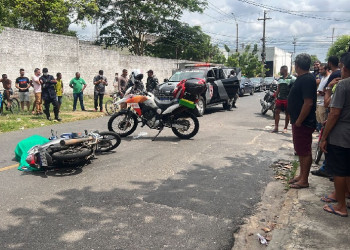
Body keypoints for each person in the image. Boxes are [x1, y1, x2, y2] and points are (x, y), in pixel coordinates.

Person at [320, 52, 350, 217]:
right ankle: (345, 196)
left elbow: (334, 113)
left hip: (341, 135)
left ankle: (341, 206)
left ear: (344, 68)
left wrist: (324, 137)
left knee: (339, 171)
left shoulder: (344, 85)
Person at [287, 53, 317, 189]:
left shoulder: (306, 79)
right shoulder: (305, 78)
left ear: (297, 65)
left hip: (303, 123)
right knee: (300, 150)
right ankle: (301, 175)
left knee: (304, 151)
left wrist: (299, 121)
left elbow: (308, 103)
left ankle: (304, 180)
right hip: (299, 122)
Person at [272, 66, 295, 133]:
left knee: (287, 113)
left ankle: (285, 127)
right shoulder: (280, 78)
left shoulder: (292, 78)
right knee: (276, 112)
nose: (280, 71)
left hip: (288, 99)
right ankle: (276, 127)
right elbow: (278, 89)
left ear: (284, 70)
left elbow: (294, 88)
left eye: (281, 70)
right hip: (280, 98)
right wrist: (275, 97)